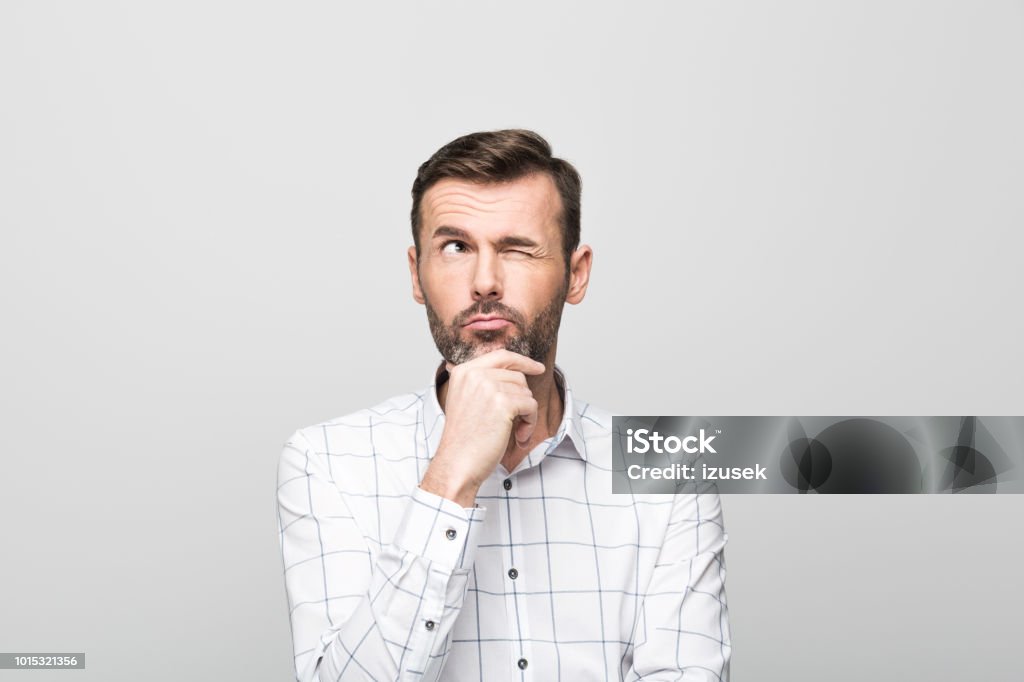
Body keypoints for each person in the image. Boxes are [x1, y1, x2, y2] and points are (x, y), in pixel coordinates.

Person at [277, 129, 731, 681]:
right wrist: (450, 480)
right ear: (417, 275)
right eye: (455, 247)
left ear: (576, 273)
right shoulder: (325, 460)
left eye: (517, 249)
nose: (484, 282)